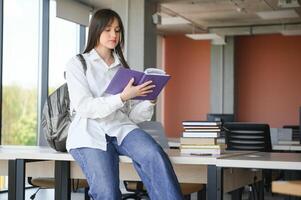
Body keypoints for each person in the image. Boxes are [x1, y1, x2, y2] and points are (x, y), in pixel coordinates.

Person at [65, 9, 183, 200]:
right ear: (96, 30)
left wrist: (149, 99)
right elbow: (85, 106)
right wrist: (122, 96)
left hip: (121, 128)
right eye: (108, 29)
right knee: (107, 192)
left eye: (118, 30)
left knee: (155, 156)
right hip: (89, 133)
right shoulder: (77, 63)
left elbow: (131, 116)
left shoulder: (123, 68)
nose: (114, 35)